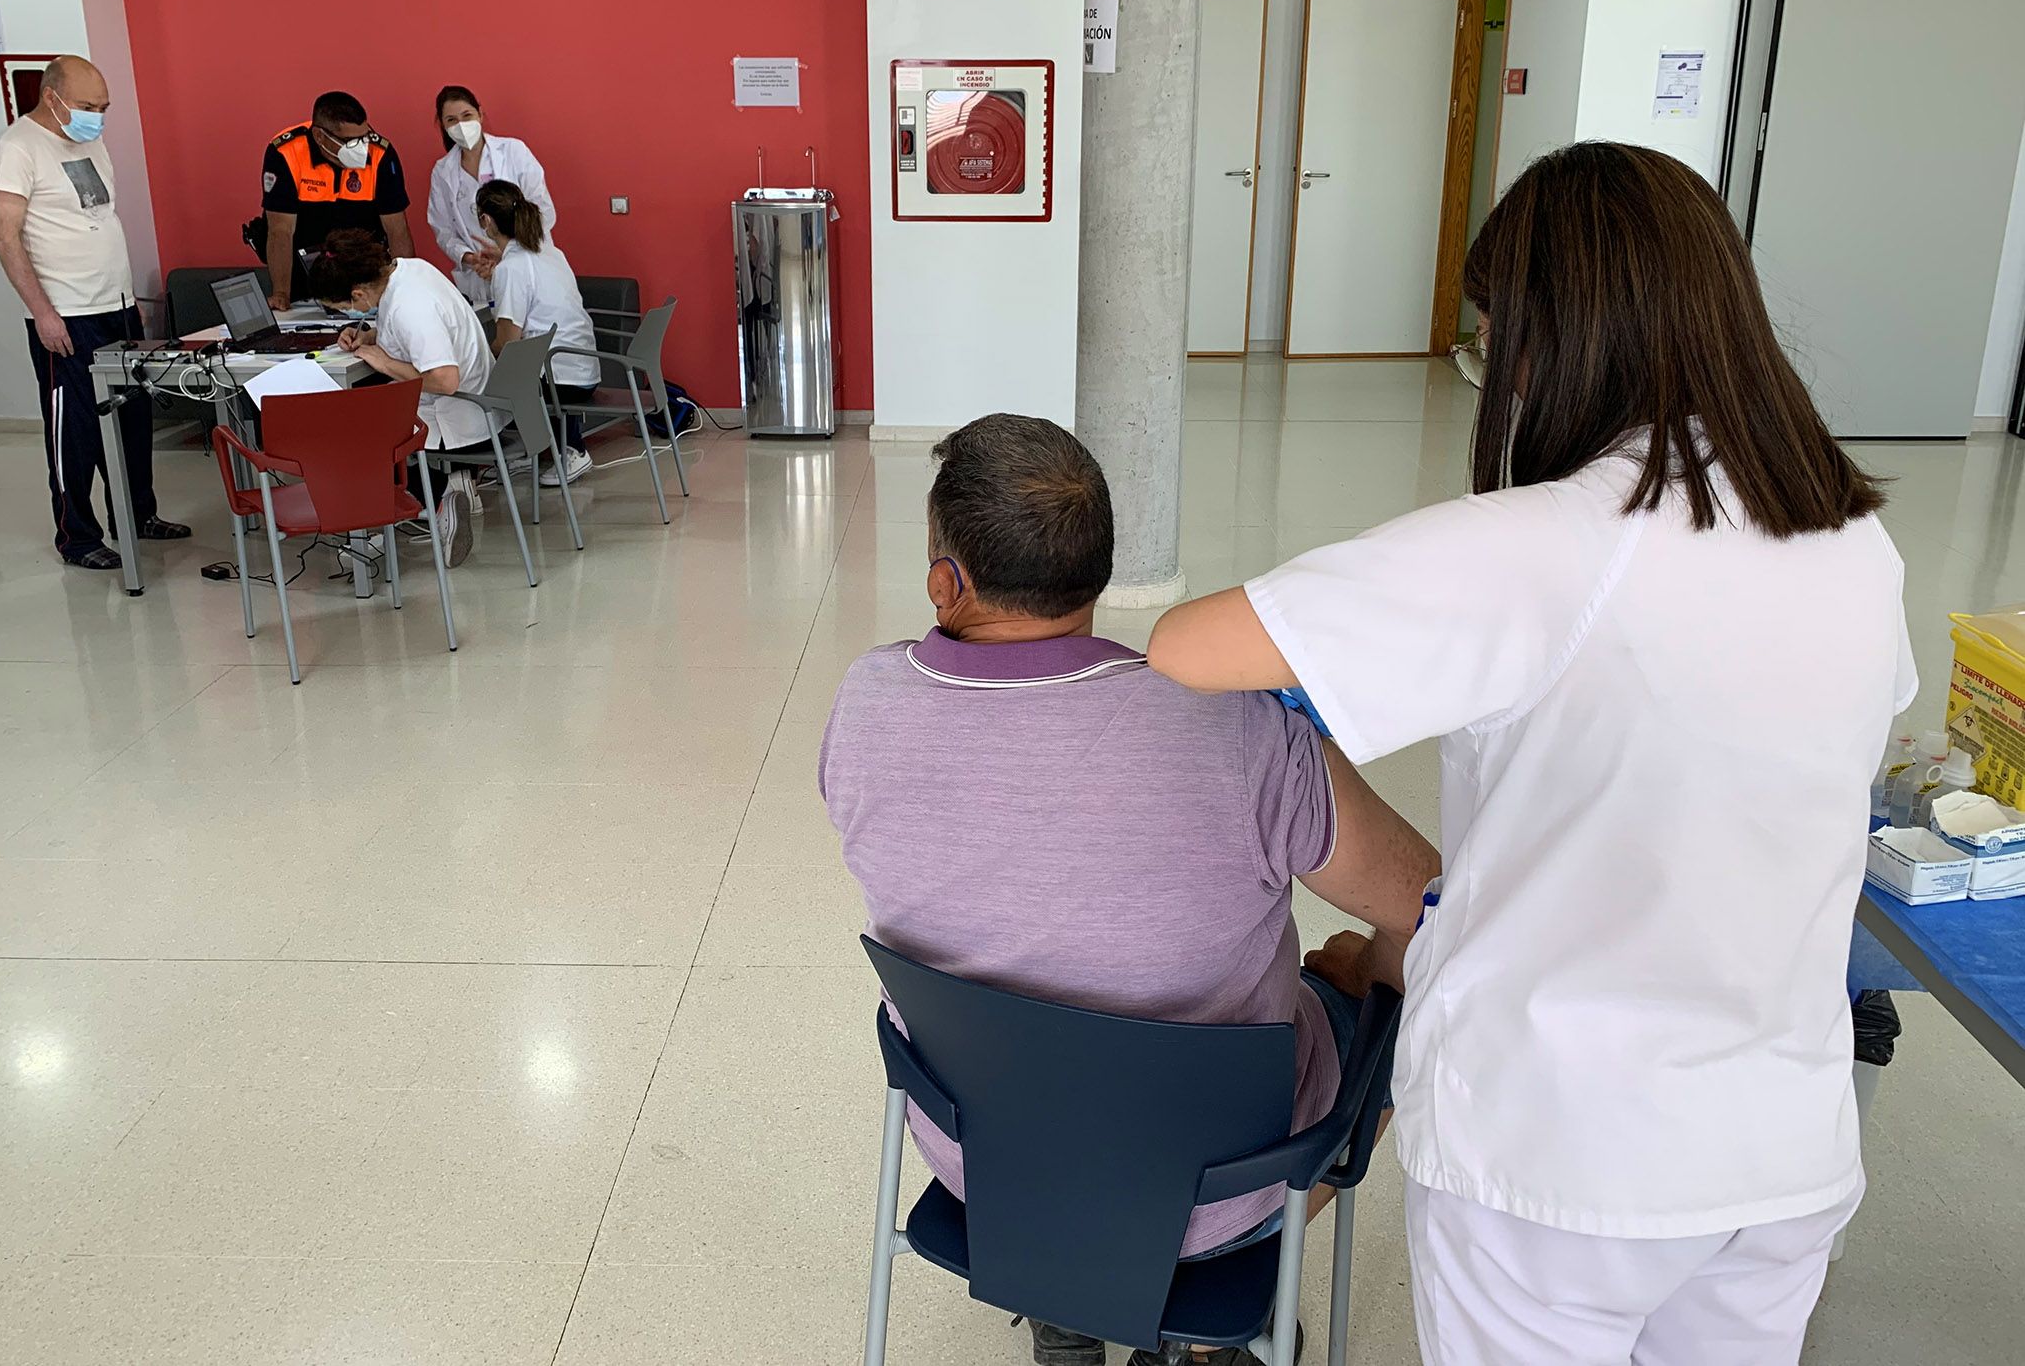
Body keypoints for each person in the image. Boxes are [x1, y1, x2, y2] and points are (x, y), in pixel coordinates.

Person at [1148, 143, 1915, 1366]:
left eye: (1490, 341)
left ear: (1551, 341)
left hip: (1558, 1154)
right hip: (1779, 1147)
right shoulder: (1846, 536)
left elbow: (1187, 646)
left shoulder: (1537, 544)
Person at [820, 414, 1439, 1366]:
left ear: (948, 580)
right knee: (1388, 976)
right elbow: (1424, 895)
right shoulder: (1234, 732)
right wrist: (1360, 967)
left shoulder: (863, 707)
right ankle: (1215, 1327)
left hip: (993, 1170)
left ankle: (1070, 1308)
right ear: (1097, 574)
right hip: (1218, 1190)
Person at [0, 54, 190, 570]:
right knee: (73, 430)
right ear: (51, 97)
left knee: (132, 418)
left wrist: (130, 303)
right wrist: (43, 313)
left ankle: (136, 515)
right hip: (66, 314)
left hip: (116, 305)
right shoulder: (17, 148)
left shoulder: (90, 139)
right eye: (86, 106)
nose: (96, 116)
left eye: (103, 106)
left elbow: (98, 218)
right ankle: (77, 536)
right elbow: (3, 234)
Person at [306, 230, 502, 567]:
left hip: (455, 416)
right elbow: (403, 331)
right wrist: (370, 334)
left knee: (352, 432)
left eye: (345, 307)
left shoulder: (411, 307)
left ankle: (398, 522)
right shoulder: (408, 270)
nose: (351, 312)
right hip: (479, 402)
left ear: (357, 293)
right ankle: (446, 491)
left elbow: (445, 379)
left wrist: (384, 362)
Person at [474, 179, 596, 485]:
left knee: (482, 376)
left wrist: (475, 360)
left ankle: (570, 449)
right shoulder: (550, 253)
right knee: (514, 369)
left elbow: (507, 342)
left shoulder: (512, 268)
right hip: (582, 368)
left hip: (558, 379)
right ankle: (531, 450)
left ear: (485, 220)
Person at [259, 92, 411, 309]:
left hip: (364, 273)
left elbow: (397, 230)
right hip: (306, 274)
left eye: (364, 137)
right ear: (320, 136)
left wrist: (406, 289)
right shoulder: (285, 152)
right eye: (349, 141)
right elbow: (280, 231)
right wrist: (282, 293)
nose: (360, 147)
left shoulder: (380, 153)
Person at [427, 86, 555, 305]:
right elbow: (443, 230)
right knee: (493, 331)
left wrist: (509, 251)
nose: (461, 126)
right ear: (443, 125)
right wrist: (470, 258)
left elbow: (543, 212)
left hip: (526, 263)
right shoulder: (443, 171)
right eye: (451, 120)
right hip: (479, 273)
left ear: (480, 113)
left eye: (466, 116)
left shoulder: (513, 151)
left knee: (530, 329)